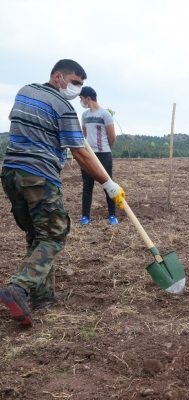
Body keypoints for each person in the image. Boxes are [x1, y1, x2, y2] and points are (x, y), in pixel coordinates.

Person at [0, 59, 126, 326]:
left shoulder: (24, 91)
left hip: (11, 173)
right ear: (58, 76)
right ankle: (20, 287)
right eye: (75, 83)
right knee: (54, 235)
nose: (77, 90)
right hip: (39, 176)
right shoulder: (63, 107)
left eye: (81, 86)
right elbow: (80, 152)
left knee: (37, 234)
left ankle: (42, 296)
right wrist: (108, 183)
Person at [79, 86, 119, 225]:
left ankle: (112, 216)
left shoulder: (105, 114)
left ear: (87, 98)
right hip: (88, 155)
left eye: (81, 98)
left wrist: (105, 148)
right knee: (87, 186)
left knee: (108, 185)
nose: (81, 101)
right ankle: (85, 217)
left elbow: (112, 137)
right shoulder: (84, 115)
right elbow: (84, 135)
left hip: (104, 155)